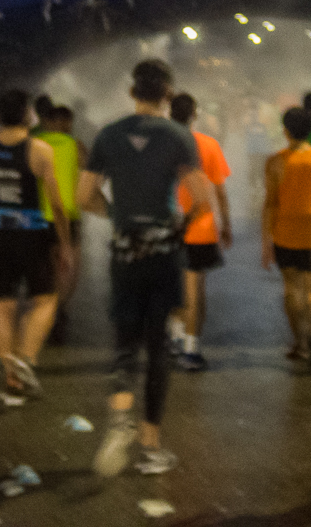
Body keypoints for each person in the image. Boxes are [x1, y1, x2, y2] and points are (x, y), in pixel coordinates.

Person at [77, 59, 211, 478]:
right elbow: (202, 197)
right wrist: (178, 225)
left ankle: (119, 419)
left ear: (132, 93)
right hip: (164, 252)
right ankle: (150, 444)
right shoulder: (179, 137)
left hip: (124, 251)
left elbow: (84, 197)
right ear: (168, 94)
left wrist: (118, 214)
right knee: (157, 347)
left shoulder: (108, 136)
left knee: (124, 341)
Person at [0, 90, 73, 405]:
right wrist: (65, 242)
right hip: (32, 236)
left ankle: (11, 380)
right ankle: (26, 360)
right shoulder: (39, 149)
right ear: (27, 113)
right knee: (45, 300)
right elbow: (56, 204)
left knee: (3, 306)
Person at [167, 92, 232, 371]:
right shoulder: (209, 145)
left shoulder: (162, 145)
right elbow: (219, 190)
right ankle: (191, 349)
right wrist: (227, 224)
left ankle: (175, 336)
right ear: (194, 114)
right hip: (201, 227)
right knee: (195, 289)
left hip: (167, 226)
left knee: (171, 284)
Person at [262, 107, 311, 363]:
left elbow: (271, 203)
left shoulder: (275, 162)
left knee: (291, 288)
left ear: (285, 131)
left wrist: (266, 241)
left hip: (285, 233)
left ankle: (299, 342)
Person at [33, 104, 85, 344]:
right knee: (68, 268)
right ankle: (57, 308)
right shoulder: (76, 146)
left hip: (37, 216)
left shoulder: (32, 143)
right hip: (68, 215)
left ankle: (46, 307)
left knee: (45, 265)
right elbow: (89, 175)